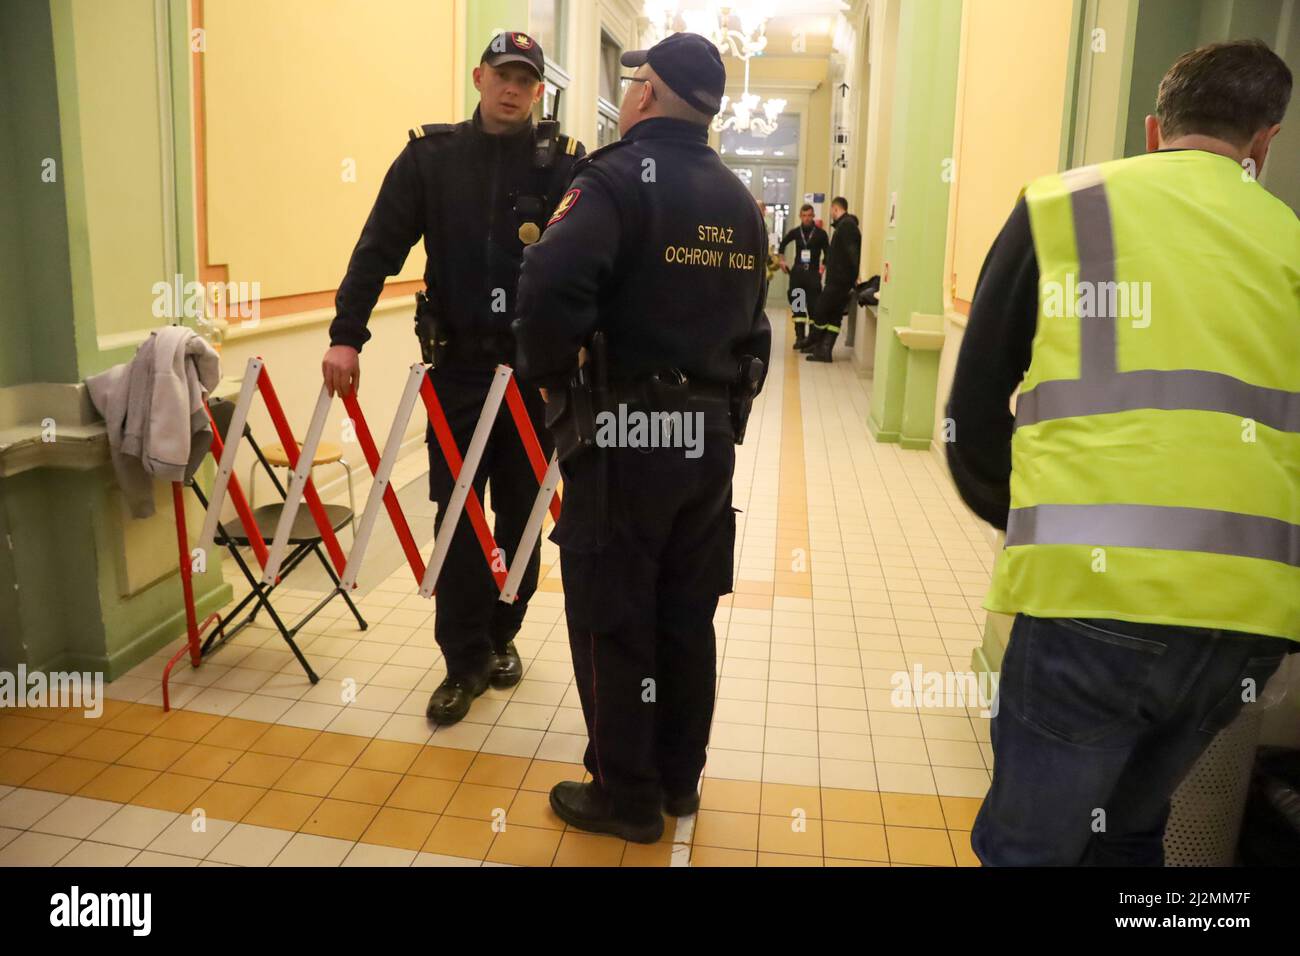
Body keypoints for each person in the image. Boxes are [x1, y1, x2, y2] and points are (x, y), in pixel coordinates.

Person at [946, 40, 1297, 866]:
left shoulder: (1064, 208)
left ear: (1153, 128)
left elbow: (972, 411)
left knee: (1032, 847)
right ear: (1262, 142)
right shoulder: (1289, 241)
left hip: (1093, 595)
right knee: (1131, 832)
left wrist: (1033, 520)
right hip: (1246, 618)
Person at [513, 32, 771, 843]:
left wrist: (553, 379)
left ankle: (624, 796)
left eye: (632, 83)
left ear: (648, 94)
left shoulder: (615, 182)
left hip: (625, 442)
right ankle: (677, 780)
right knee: (684, 614)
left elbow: (547, 285)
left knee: (613, 615)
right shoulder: (738, 201)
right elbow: (755, 334)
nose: (624, 96)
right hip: (707, 445)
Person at [321, 32, 586, 725]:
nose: (512, 89)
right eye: (503, 74)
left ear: (538, 91)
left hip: (534, 373)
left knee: (524, 513)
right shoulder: (430, 160)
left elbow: (591, 265)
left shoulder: (562, 167)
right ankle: (462, 661)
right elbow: (376, 247)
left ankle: (504, 633)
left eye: (526, 80)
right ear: (479, 76)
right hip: (460, 370)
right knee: (459, 517)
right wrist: (346, 336)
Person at [805, 196, 860, 363]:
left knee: (821, 310)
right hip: (841, 280)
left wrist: (855, 275)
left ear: (836, 209)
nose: (831, 214)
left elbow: (852, 254)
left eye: (831, 210)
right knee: (835, 316)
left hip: (839, 281)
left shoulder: (847, 226)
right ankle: (824, 350)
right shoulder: (845, 226)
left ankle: (815, 343)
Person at [778, 204, 829, 351]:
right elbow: (783, 244)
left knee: (814, 308)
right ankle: (799, 338)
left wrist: (822, 268)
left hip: (813, 275)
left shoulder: (820, 234)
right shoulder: (796, 232)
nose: (807, 218)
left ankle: (811, 340)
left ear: (813, 216)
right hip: (798, 275)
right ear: (800, 216)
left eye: (809, 216)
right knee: (798, 307)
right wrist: (782, 261)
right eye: (804, 216)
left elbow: (828, 252)